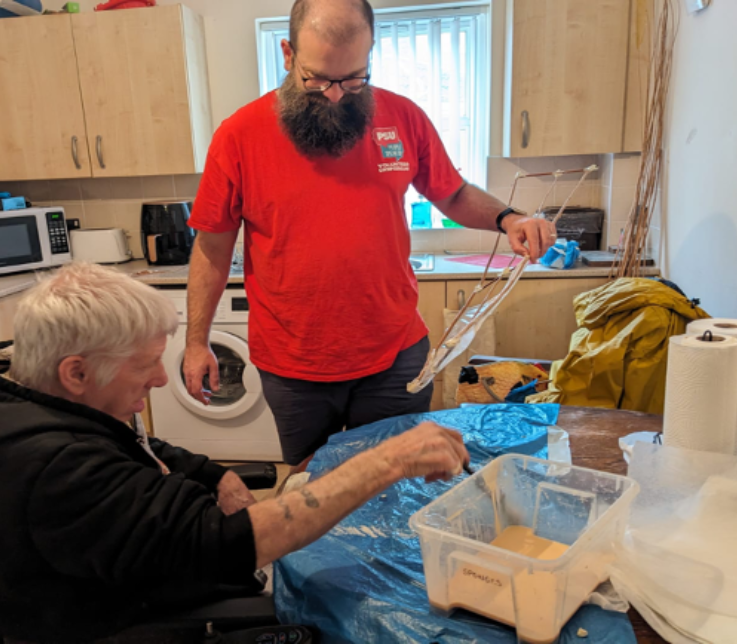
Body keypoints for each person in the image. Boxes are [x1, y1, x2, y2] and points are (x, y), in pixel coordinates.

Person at [0, 263, 470, 643]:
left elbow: (137, 442)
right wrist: (387, 461)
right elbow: (230, 547)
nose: (159, 379)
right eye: (144, 364)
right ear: (75, 372)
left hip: (111, 581)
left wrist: (210, 470)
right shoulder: (56, 469)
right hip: (123, 625)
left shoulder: (8, 390)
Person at [184, 0, 557, 468]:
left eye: (354, 78)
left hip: (394, 357)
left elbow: (452, 193)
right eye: (317, 79)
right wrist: (196, 341)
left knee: (398, 487)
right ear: (287, 54)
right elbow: (213, 247)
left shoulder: (403, 117)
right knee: (314, 494)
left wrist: (510, 219)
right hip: (294, 365)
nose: (337, 94)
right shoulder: (238, 136)